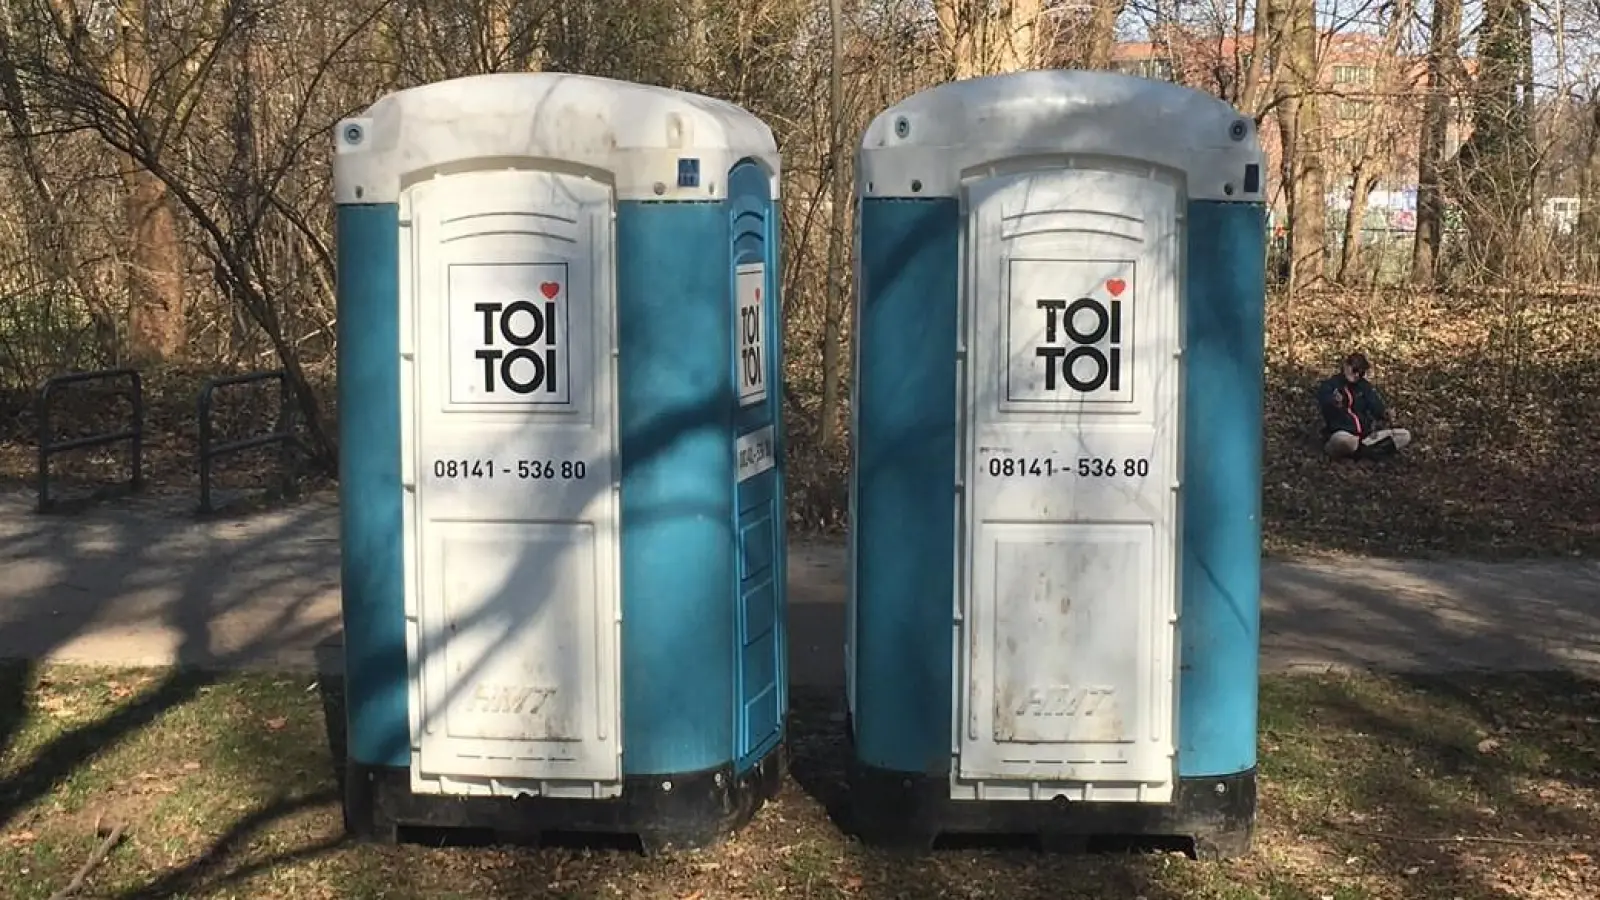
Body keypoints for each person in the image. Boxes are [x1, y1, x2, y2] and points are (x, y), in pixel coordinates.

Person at [1315, 352, 1412, 459]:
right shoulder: (1331, 385)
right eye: (1354, 370)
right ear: (1346, 366)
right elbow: (1324, 403)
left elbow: (1376, 406)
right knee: (1344, 441)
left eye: (1361, 373)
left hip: (1365, 436)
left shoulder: (1364, 386)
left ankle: (1364, 450)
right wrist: (1335, 401)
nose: (1357, 375)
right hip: (1342, 433)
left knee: (1404, 435)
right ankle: (1367, 451)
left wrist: (1385, 413)